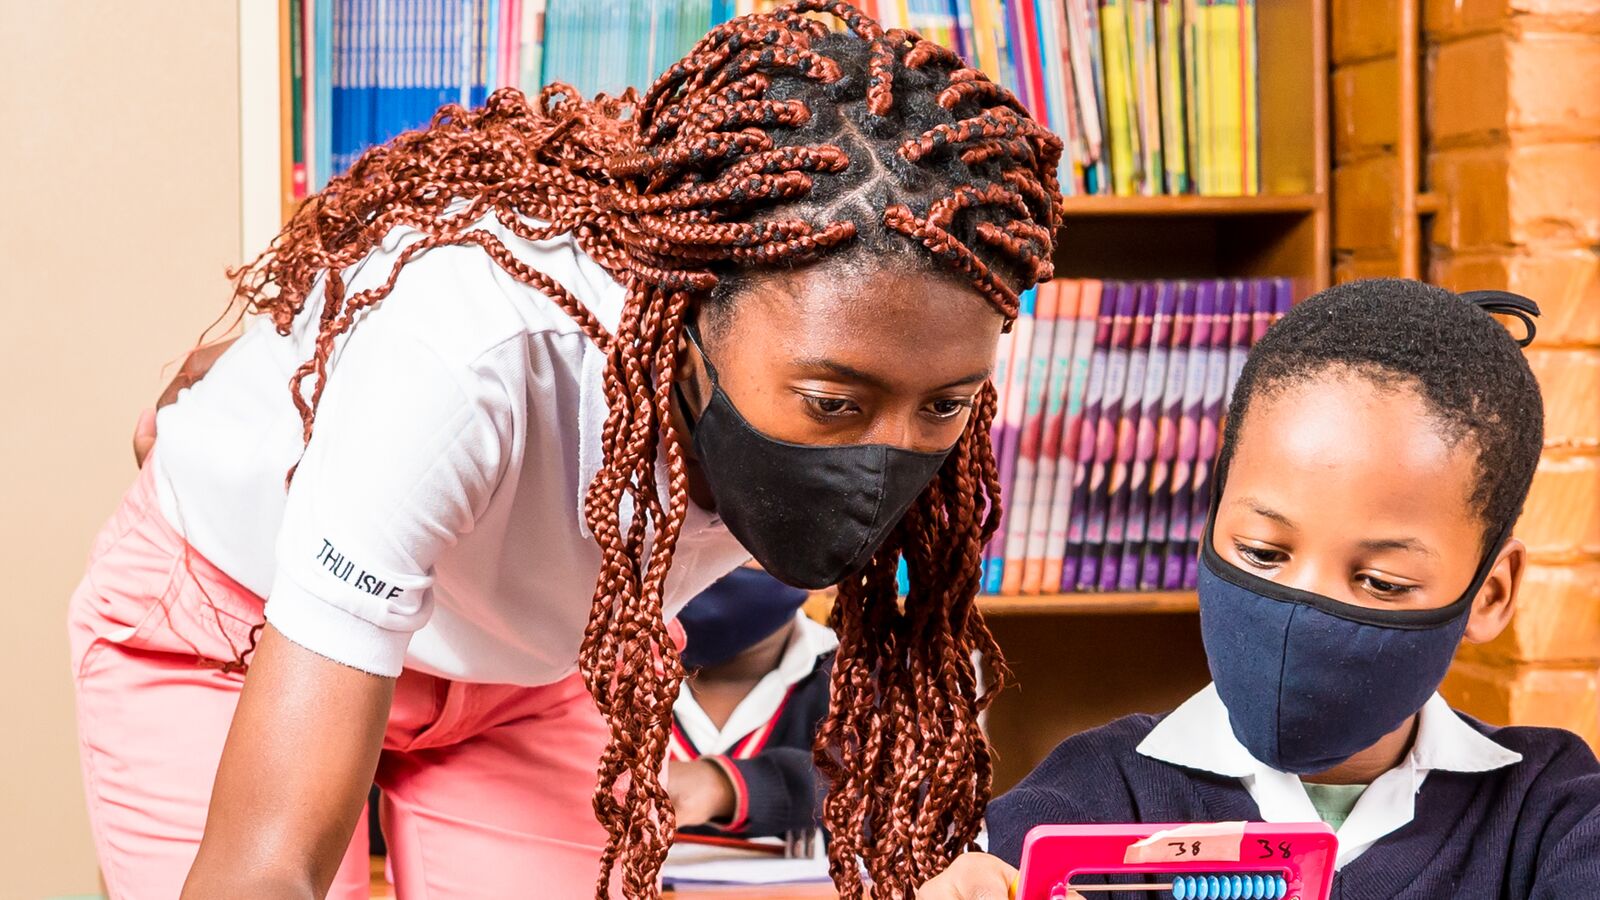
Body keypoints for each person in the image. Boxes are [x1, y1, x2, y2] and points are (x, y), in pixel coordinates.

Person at [69, 4, 1061, 899]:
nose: (890, 453)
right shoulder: (470, 352)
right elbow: (264, 868)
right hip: (228, 633)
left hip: (523, 679)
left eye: (943, 404)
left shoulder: (880, 367)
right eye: (833, 401)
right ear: (690, 317)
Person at [918, 280, 1600, 899]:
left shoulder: (1552, 809)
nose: (1302, 607)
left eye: (1382, 581)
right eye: (1264, 552)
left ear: (1490, 594)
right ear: (1212, 519)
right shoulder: (1092, 794)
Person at [667, 565, 836, 838]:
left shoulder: (864, 680)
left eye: (744, 544)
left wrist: (725, 788)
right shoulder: (598, 679)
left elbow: (894, 792)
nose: (717, 557)